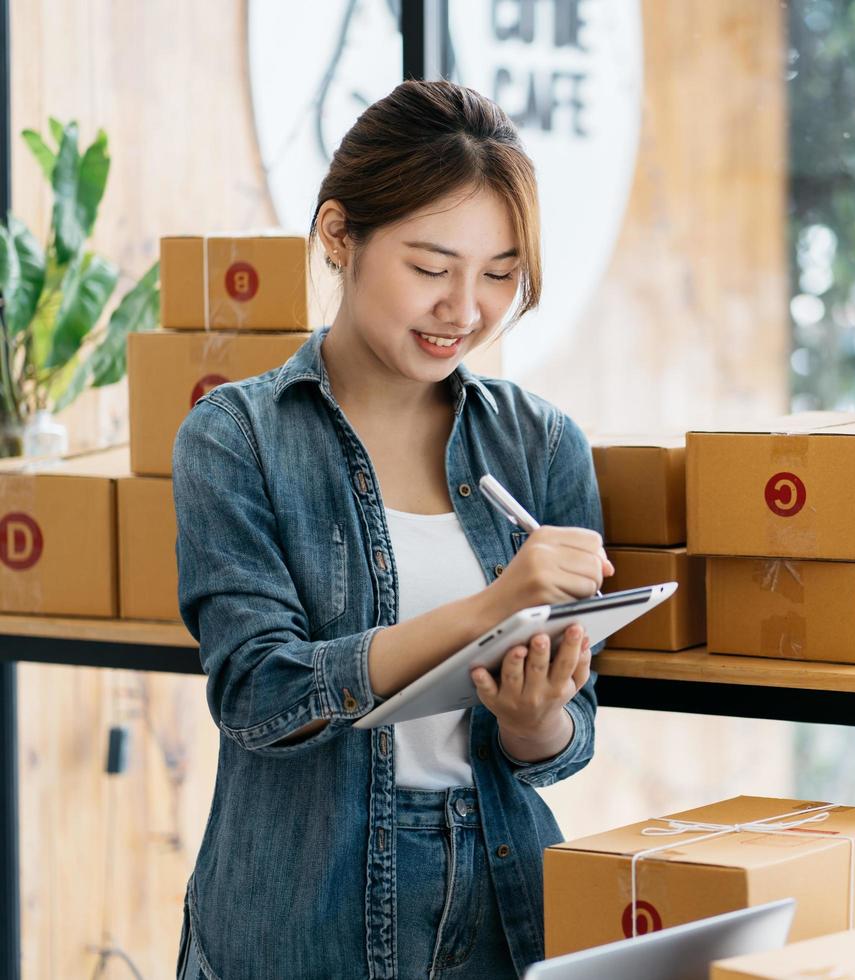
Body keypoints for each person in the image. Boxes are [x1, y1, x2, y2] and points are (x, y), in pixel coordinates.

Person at [172, 79, 610, 979]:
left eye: (498, 274)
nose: (465, 309)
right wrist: (495, 604)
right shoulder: (236, 437)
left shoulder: (543, 443)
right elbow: (260, 693)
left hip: (502, 908)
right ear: (340, 235)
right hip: (301, 919)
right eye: (430, 266)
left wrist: (536, 722)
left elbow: (565, 745)